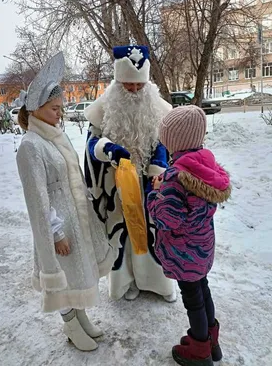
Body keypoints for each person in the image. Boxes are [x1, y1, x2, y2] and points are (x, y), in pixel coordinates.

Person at [16, 52, 115, 352]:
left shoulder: (54, 138)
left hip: (74, 220)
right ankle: (71, 325)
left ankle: (80, 317)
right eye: (55, 108)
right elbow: (37, 200)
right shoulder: (30, 146)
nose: (60, 114)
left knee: (76, 274)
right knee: (60, 280)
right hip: (56, 229)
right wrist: (56, 233)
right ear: (37, 108)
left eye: (61, 108)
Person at [84, 45, 177, 302]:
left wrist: (158, 167)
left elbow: (165, 142)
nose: (134, 91)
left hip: (151, 182)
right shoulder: (103, 108)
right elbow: (91, 145)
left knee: (153, 232)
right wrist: (108, 149)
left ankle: (159, 284)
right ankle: (128, 282)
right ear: (117, 82)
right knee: (122, 233)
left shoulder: (159, 108)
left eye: (139, 86)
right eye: (128, 86)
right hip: (117, 185)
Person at [147, 105, 231, 366]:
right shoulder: (206, 164)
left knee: (193, 300)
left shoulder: (175, 177)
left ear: (174, 141)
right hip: (203, 249)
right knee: (203, 290)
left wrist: (156, 194)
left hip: (184, 253)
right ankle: (211, 341)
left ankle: (199, 349)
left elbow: (166, 219)